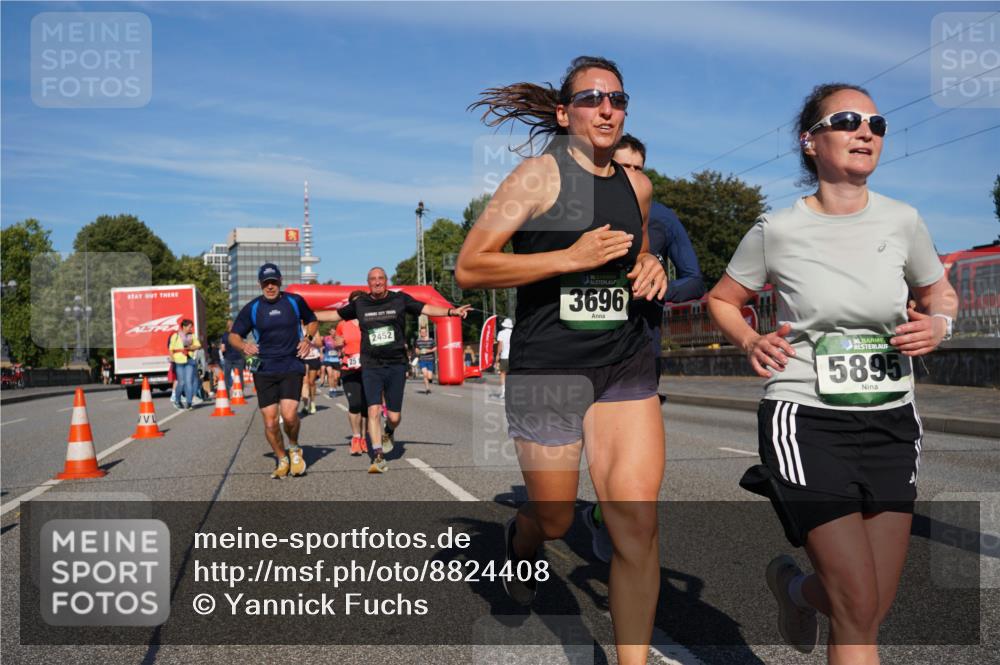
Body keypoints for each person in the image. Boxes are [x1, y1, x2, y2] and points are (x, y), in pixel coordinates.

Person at [706, 83, 957, 663]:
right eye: (847, 121)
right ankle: (806, 591)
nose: (866, 131)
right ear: (810, 141)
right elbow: (723, 298)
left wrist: (941, 324)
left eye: (876, 124)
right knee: (855, 609)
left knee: (870, 605)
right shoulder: (779, 228)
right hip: (807, 419)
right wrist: (748, 337)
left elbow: (937, 291)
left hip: (893, 420)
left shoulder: (904, 220)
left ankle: (793, 589)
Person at [456, 56, 667, 665]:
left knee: (634, 526)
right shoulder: (536, 177)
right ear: (563, 112)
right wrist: (568, 257)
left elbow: (640, 252)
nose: (606, 109)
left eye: (618, 99)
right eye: (591, 99)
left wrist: (651, 266)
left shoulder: (637, 184)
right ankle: (523, 538)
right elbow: (471, 267)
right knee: (552, 515)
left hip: (624, 365)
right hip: (549, 367)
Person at [581, 133, 708, 563]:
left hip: (642, 346)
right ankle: (606, 513)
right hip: (583, 347)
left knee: (625, 455)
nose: (631, 176)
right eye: (623, 167)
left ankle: (605, 516)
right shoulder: (580, 212)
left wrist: (661, 288)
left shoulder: (664, 219)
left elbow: (695, 277)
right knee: (598, 445)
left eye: (638, 167)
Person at [315, 267, 471, 474]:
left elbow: (427, 308)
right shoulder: (360, 303)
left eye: (380, 278)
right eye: (373, 279)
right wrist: (301, 313)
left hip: (396, 364)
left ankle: (389, 432)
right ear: (368, 283)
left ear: (386, 281)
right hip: (371, 364)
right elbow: (333, 314)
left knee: (394, 417)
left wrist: (452, 311)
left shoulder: (400, 299)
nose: (377, 282)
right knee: (373, 410)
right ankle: (378, 455)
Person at [229, 263, 318, 479]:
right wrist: (244, 346)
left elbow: (313, 320)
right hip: (265, 368)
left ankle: (294, 447)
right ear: (260, 284)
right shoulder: (252, 308)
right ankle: (281, 457)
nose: (271, 286)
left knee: (289, 417)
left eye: (274, 282)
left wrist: (307, 338)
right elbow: (234, 335)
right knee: (270, 421)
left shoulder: (294, 301)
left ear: (280, 281)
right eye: (266, 283)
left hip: (291, 365)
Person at [334, 290, 369, 456]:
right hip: (349, 369)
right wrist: (338, 343)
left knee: (367, 407)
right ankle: (356, 437)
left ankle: (364, 437)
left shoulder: (371, 320)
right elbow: (337, 343)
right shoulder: (343, 323)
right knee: (355, 404)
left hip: (369, 369)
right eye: (354, 302)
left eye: (360, 301)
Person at [168, 319, 201, 410]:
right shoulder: (176, 335)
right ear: (184, 326)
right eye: (190, 327)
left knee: (188, 382)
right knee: (181, 382)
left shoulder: (192, 336)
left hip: (189, 360)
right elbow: (170, 349)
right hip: (179, 361)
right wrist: (172, 358)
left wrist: (191, 347)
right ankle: (177, 401)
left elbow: (198, 345)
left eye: (191, 327)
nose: (191, 328)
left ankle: (189, 403)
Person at [220, 319, 246, 399]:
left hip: (228, 358)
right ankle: (240, 393)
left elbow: (223, 348)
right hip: (239, 358)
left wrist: (223, 353)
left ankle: (227, 395)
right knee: (239, 376)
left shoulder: (225, 335)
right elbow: (243, 345)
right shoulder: (238, 334)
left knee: (227, 377)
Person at [300, 327, 323, 414]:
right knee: (304, 382)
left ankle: (312, 402)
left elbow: (319, 343)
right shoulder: (297, 328)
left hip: (313, 357)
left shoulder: (314, 329)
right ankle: (305, 406)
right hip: (302, 358)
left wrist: (308, 337)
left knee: (311, 382)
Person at [494, 318, 513, 399]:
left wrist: (497, 355)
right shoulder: (514, 333)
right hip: (513, 356)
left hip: (504, 356)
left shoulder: (501, 333)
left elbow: (500, 345)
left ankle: (503, 393)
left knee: (503, 374)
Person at [414, 325, 436, 394]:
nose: (423, 333)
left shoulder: (431, 340)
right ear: (420, 333)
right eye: (421, 332)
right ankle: (427, 388)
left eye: (424, 332)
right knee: (425, 374)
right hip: (422, 360)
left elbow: (435, 348)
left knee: (429, 377)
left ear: (426, 333)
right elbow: (416, 350)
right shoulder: (418, 341)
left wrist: (428, 351)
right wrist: (419, 351)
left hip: (430, 359)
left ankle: (429, 380)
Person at [321, 331, 342, 396]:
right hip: (328, 359)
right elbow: (320, 345)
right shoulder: (326, 338)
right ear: (329, 332)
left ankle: (335, 389)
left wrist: (340, 352)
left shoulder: (338, 338)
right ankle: (331, 389)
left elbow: (342, 347)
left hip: (336, 360)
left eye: (334, 332)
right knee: (330, 374)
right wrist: (321, 353)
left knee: (336, 377)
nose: (333, 333)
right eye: (332, 331)